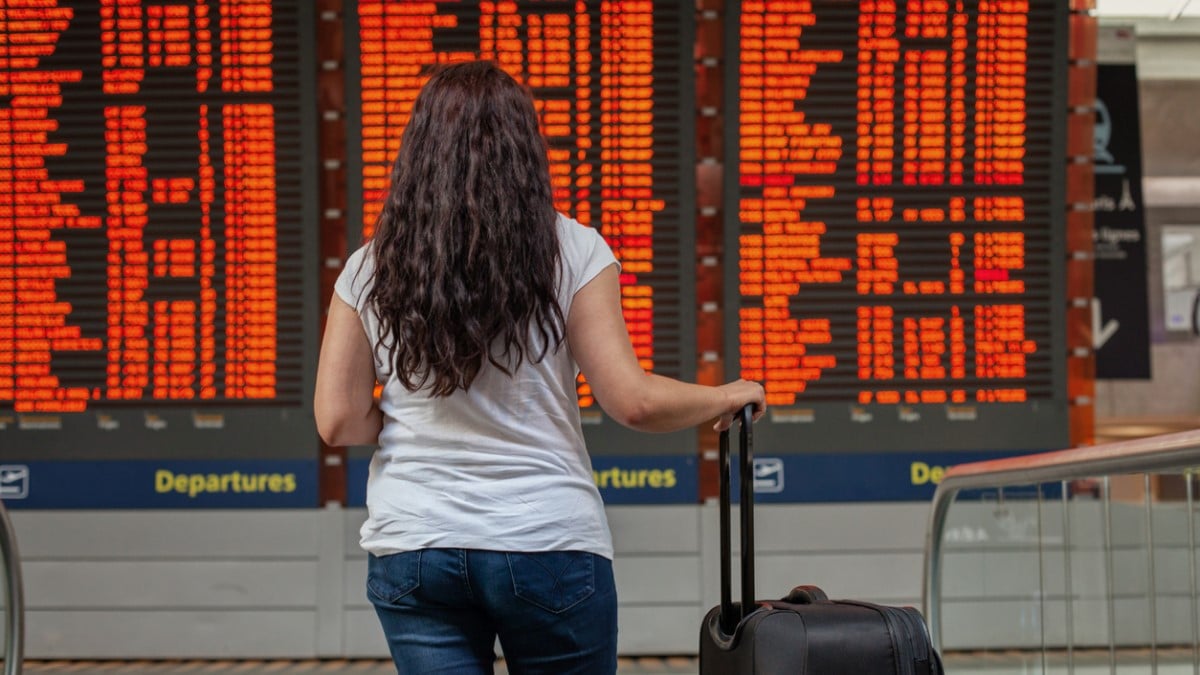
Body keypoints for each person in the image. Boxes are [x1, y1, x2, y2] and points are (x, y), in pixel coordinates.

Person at [314, 60, 766, 675]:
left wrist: (402, 417)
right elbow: (630, 401)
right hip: (546, 542)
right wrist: (726, 395)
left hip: (415, 544)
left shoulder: (369, 267)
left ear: (418, 151)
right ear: (525, 150)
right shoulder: (574, 250)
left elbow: (338, 421)